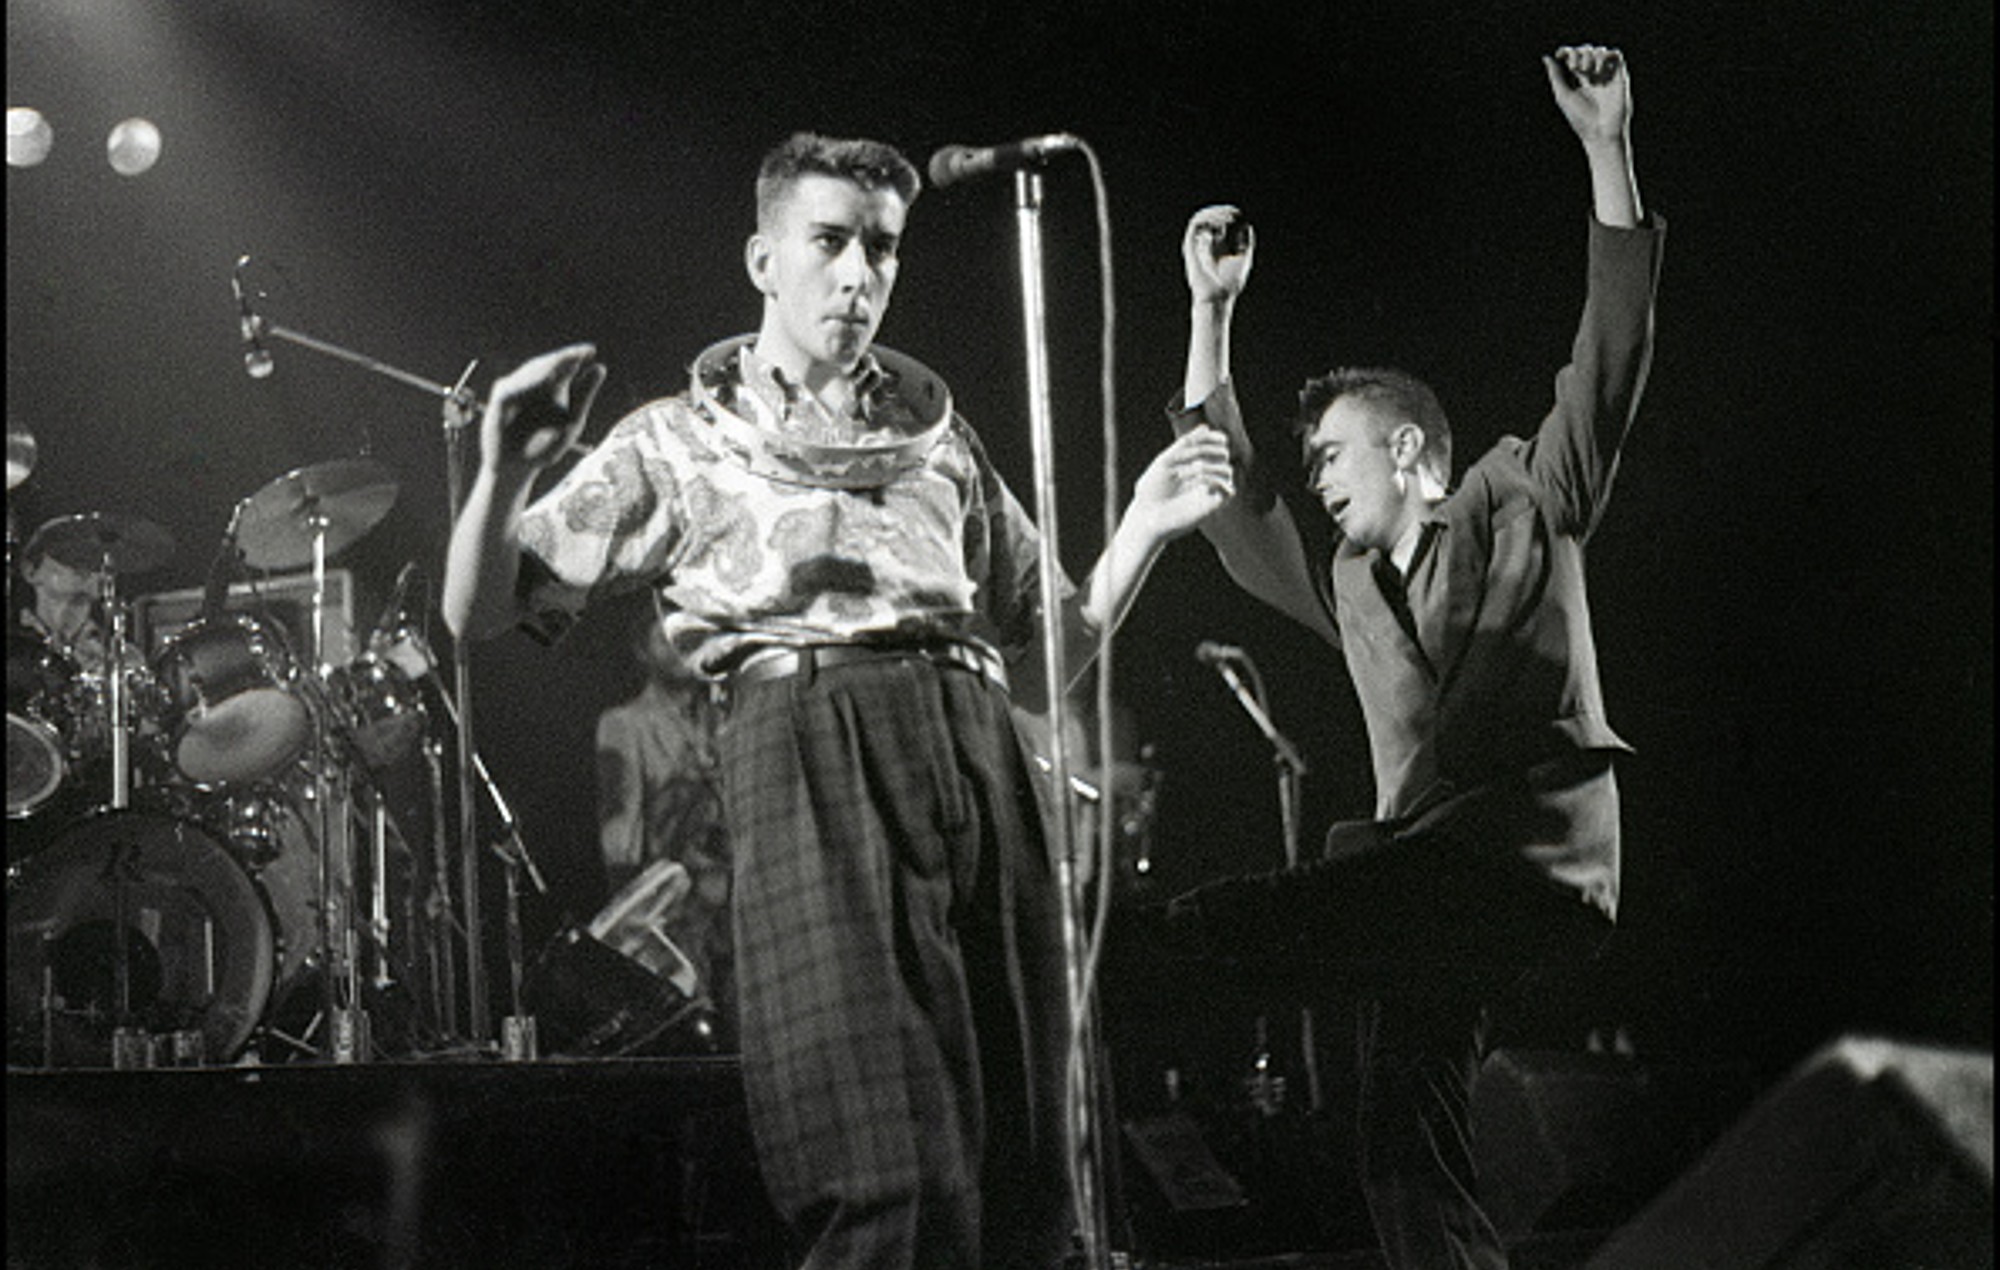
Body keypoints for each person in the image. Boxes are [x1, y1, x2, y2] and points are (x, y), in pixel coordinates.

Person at [443, 132, 1234, 1269]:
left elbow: (1045, 648)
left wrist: (1141, 532)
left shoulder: (934, 436)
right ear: (763, 259)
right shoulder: (677, 438)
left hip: (976, 740)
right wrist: (504, 467)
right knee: (887, 1183)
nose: (859, 273)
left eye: (882, 246)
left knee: (1028, 1178)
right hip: (815, 743)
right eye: (830, 241)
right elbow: (479, 614)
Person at [1157, 46, 1664, 1269]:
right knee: (1397, 1143)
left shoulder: (1516, 497)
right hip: (1425, 889)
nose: (1318, 479)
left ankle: (1124, 953)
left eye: (1334, 453)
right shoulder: (1343, 585)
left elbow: (1606, 359)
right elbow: (1234, 509)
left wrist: (1606, 146)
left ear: (1409, 451)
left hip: (1523, 863)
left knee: (1221, 926)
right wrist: (1209, 313)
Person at [594, 608, 734, 1038]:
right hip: (674, 916)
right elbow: (620, 841)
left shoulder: (723, 719)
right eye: (664, 639)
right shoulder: (625, 724)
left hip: (733, 909)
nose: (678, 650)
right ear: (642, 650)